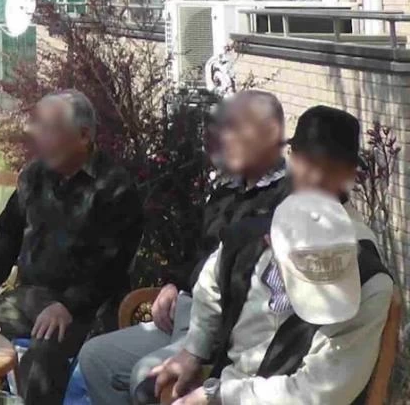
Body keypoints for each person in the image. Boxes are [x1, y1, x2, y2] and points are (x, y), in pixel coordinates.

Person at [144, 105, 393, 405]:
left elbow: (319, 392)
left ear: (350, 174)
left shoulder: (365, 275)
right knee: (143, 383)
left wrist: (218, 394)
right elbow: (211, 281)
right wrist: (193, 351)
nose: (315, 175)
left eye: (330, 165)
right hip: (227, 379)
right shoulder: (263, 223)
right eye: (308, 161)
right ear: (292, 158)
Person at [78, 91, 291, 405]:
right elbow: (200, 253)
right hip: (185, 310)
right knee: (95, 356)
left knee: (146, 375)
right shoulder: (226, 190)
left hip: (224, 325)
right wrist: (173, 284)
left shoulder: (288, 199)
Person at [0, 89, 144, 405]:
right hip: (30, 299)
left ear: (83, 136)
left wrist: (67, 305)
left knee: (43, 357)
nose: (39, 138)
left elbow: (112, 266)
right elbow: (6, 236)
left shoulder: (114, 188)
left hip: (87, 308)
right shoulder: (34, 175)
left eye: (51, 130)